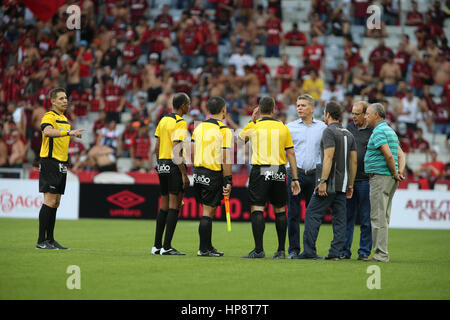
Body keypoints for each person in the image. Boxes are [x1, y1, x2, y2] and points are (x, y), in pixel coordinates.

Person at [239, 96, 301, 259]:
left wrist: (252, 121)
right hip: (278, 169)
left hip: (260, 169)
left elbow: (239, 141)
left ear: (259, 110)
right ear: (274, 110)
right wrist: (295, 178)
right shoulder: (282, 127)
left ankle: (259, 250)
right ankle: (281, 250)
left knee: (258, 208)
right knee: (280, 209)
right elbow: (291, 153)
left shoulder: (254, 126)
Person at [297, 101, 357, 260]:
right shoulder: (349, 134)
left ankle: (309, 252)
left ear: (328, 115)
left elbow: (328, 157)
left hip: (329, 183)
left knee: (312, 214)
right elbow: (353, 162)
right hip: (343, 184)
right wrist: (350, 184)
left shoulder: (328, 132)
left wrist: (322, 181)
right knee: (340, 220)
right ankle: (335, 253)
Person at [36, 88, 85, 249]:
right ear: (53, 101)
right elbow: (47, 132)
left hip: (61, 164)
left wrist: (71, 134)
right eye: (61, 98)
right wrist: (69, 132)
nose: (65, 101)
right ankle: (41, 241)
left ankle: (50, 239)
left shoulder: (64, 118)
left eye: (66, 98)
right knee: (49, 200)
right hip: (50, 162)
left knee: (56, 202)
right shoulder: (49, 116)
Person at [190, 96, 233, 257]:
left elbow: (192, 151)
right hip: (212, 172)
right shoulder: (224, 130)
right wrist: (228, 179)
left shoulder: (199, 127)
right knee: (207, 212)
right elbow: (225, 156)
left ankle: (208, 246)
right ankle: (203, 249)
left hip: (198, 172)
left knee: (208, 210)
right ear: (223, 109)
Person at [285, 94, 326, 259]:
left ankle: (310, 250)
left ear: (312, 108)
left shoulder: (323, 127)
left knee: (313, 215)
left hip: (315, 175)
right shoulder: (289, 127)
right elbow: (283, 152)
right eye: (298, 105)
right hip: (295, 174)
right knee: (293, 213)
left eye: (303, 105)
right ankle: (293, 250)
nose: (299, 108)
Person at [364, 103, 405, 262]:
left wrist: (395, 172)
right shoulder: (390, 131)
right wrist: (399, 172)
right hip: (390, 178)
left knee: (377, 217)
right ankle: (381, 252)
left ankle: (381, 255)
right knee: (384, 217)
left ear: (376, 115)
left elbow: (388, 156)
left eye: (367, 114)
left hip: (380, 177)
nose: (365, 117)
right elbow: (401, 155)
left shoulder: (379, 131)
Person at [152, 93, 190, 256]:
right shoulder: (180, 122)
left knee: (164, 205)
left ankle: (157, 246)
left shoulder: (163, 119)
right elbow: (176, 150)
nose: (189, 106)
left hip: (162, 164)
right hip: (174, 166)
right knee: (174, 205)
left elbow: (157, 146)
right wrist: (184, 174)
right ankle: (167, 247)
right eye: (188, 103)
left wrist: (159, 164)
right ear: (182, 106)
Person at [340, 101, 372, 260]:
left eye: (356, 114)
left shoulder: (373, 130)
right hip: (350, 179)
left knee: (366, 219)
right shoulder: (348, 129)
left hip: (366, 180)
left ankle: (364, 252)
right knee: (347, 218)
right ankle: (345, 251)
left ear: (366, 115)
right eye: (352, 113)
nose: (353, 117)